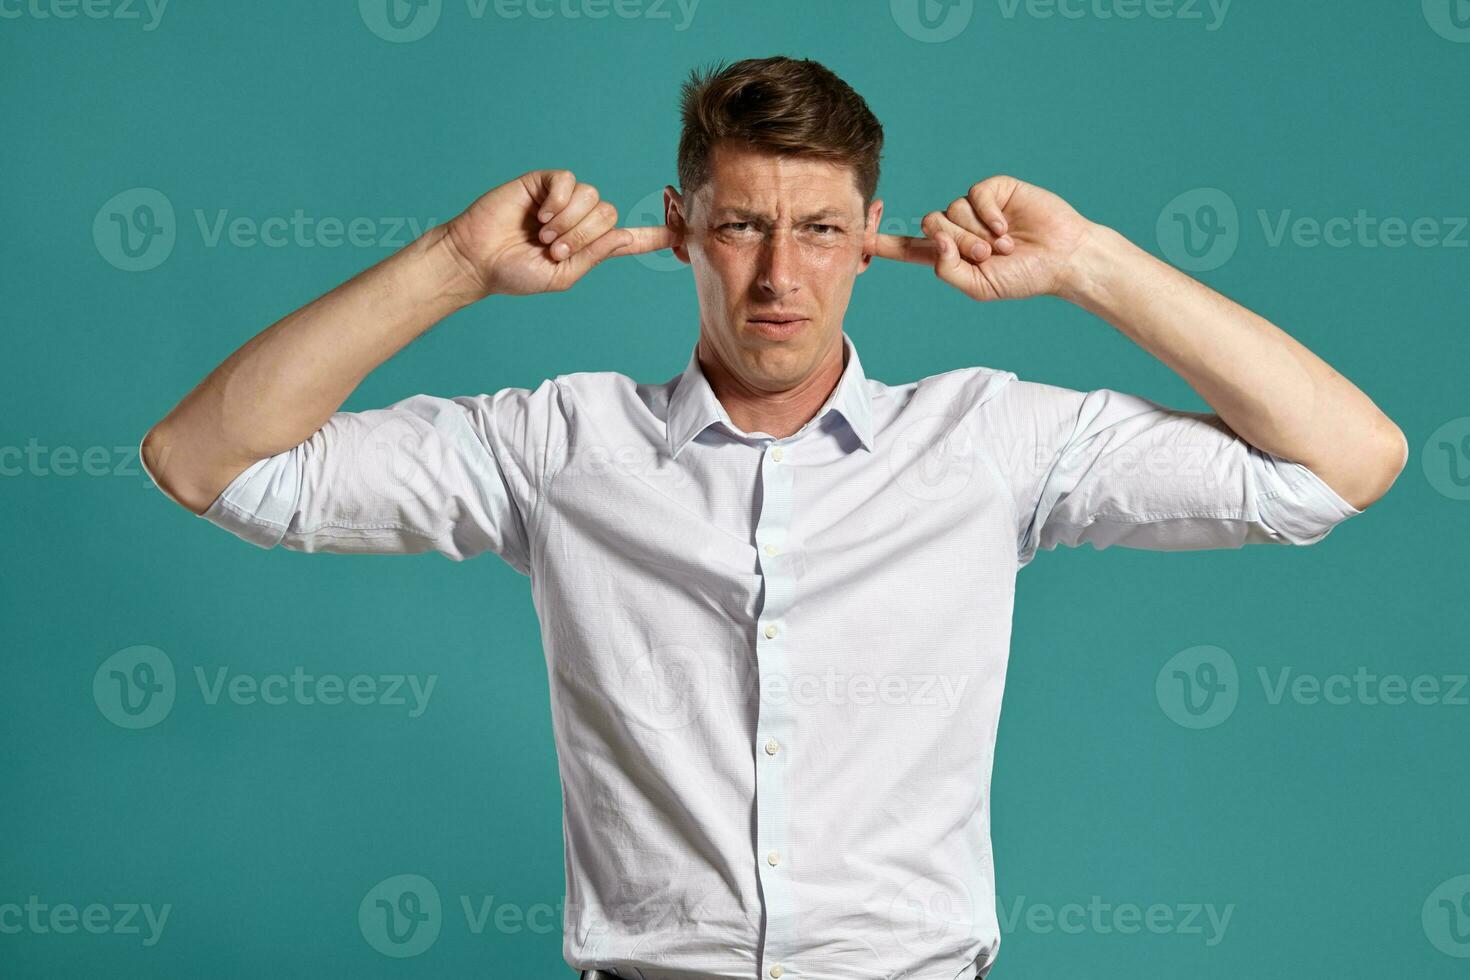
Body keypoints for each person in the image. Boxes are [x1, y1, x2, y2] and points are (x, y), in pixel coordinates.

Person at [140, 55, 1405, 980]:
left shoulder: (987, 438)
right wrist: (457, 264)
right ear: (679, 229)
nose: (779, 275)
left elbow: (1343, 462)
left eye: (817, 231)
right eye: (742, 225)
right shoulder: (560, 444)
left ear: (873, 242)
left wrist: (1091, 265)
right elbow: (210, 462)